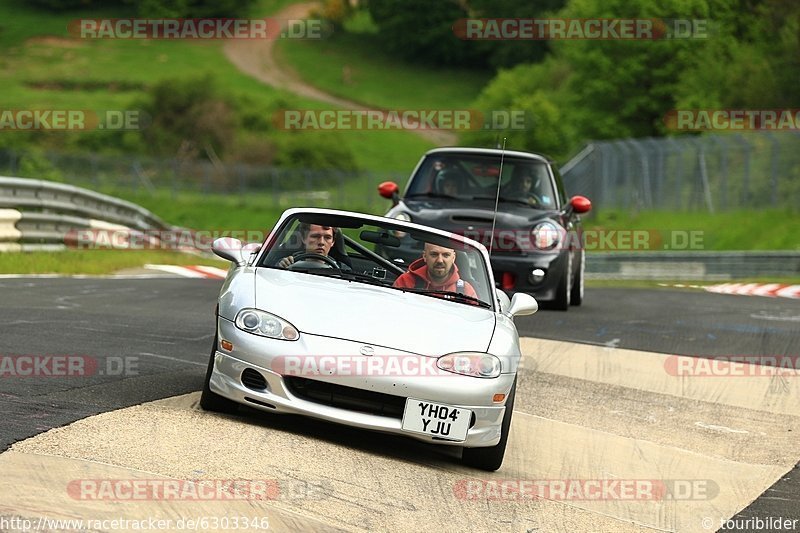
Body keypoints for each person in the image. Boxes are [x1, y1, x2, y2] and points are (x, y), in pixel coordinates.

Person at [393, 242, 477, 298]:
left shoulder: (466, 291)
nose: (440, 260)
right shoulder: (406, 282)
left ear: (453, 258)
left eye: (446, 255)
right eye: (434, 254)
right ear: (425, 256)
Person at [278, 223, 348, 269]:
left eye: (327, 237)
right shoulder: (287, 263)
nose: (321, 242)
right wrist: (281, 268)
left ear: (333, 242)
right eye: (315, 236)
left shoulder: (343, 269)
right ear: (303, 238)